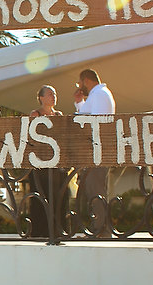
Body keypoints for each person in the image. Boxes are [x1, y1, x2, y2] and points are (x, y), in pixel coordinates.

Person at [73, 69, 116, 235]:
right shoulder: (99, 94)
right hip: (99, 150)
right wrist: (79, 103)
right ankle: (100, 228)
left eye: (80, 83)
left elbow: (94, 121)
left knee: (95, 190)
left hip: (98, 151)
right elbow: (88, 113)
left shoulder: (98, 94)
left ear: (86, 80)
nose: (79, 86)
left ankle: (101, 230)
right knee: (94, 189)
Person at [28, 85, 65, 238]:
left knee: (58, 197)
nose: (53, 96)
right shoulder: (35, 114)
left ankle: (58, 230)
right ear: (42, 98)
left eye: (54, 93)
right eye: (50, 94)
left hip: (55, 163)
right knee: (41, 197)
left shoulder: (58, 114)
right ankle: (40, 232)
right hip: (40, 163)